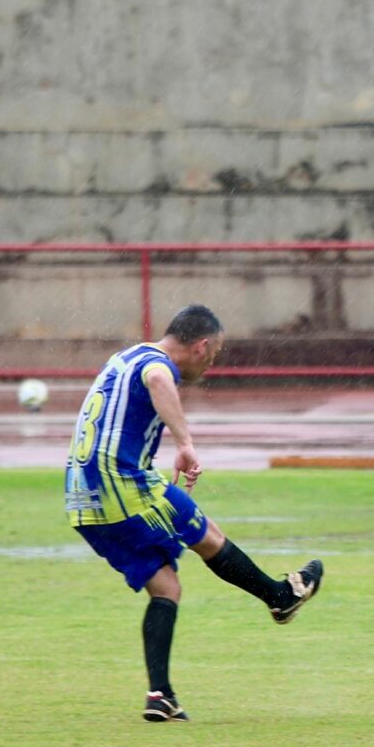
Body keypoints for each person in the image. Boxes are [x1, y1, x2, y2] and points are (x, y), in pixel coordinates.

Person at [65, 304, 323, 722]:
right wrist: (184, 442)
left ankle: (159, 696)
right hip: (120, 481)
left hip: (80, 496)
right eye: (215, 353)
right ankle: (280, 597)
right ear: (202, 346)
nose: (212, 362)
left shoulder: (125, 356)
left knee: (166, 587)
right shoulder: (155, 364)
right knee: (206, 534)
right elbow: (158, 379)